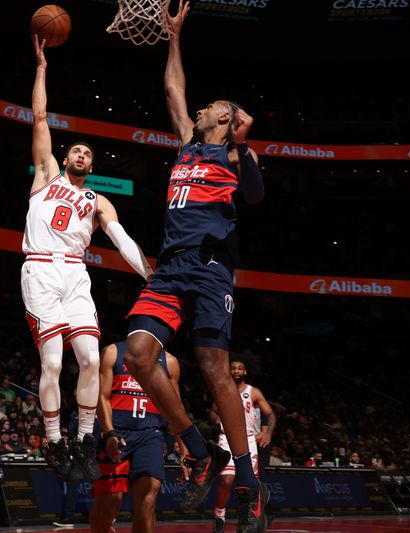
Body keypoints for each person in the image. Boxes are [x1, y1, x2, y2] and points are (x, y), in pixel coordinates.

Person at [121, 3, 268, 532]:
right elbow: (172, 90)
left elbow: (254, 196)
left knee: (211, 366)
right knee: (137, 354)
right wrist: (174, 37)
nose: (199, 109)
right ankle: (197, 445)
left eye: (211, 108)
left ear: (225, 120)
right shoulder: (186, 144)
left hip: (210, 269)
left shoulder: (234, 157)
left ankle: (249, 483)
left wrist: (245, 145)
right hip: (171, 266)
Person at [24, 35, 154, 482]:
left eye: (89, 153)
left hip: (77, 275)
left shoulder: (99, 201)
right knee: (54, 363)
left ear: (92, 166)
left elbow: (121, 239)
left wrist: (149, 275)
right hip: (40, 266)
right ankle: (54, 440)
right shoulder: (46, 177)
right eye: (77, 149)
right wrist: (42, 68)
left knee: (92, 361)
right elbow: (39, 116)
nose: (83, 154)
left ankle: (82, 438)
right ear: (65, 156)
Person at [89, 342, 182, 533]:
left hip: (150, 434)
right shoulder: (113, 352)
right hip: (116, 434)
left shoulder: (169, 361)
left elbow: (176, 407)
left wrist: (184, 444)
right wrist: (108, 431)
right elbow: (101, 396)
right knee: (107, 506)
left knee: (147, 500)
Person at [211, 358, 275, 533]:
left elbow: (270, 414)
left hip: (248, 439)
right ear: (229, 371)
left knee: (249, 485)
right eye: (233, 368)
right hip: (227, 438)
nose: (236, 371)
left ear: (245, 372)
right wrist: (215, 419)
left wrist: (267, 432)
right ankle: (219, 517)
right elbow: (213, 410)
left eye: (240, 368)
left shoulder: (253, 392)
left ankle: (250, 518)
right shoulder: (222, 390)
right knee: (227, 480)